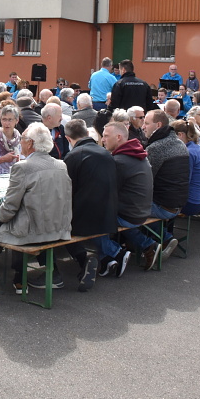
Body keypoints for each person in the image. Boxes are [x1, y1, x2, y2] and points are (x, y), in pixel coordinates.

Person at [0, 122, 73, 303]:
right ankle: (18, 278)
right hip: (58, 228)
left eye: (23, 139)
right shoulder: (61, 165)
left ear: (31, 143)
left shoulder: (23, 167)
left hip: (32, 231)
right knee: (12, 218)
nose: (21, 142)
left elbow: (8, 209)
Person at [62, 119, 118, 292]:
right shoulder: (105, 152)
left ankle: (84, 259)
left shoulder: (73, 156)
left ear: (67, 138)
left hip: (85, 219)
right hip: (110, 214)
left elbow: (66, 190)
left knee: (59, 229)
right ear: (87, 133)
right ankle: (108, 259)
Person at [91, 121, 152, 278]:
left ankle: (115, 253)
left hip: (130, 214)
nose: (102, 140)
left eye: (105, 136)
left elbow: (105, 192)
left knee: (89, 221)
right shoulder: (136, 153)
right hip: (142, 209)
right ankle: (145, 245)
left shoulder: (119, 161)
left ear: (118, 137)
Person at [135, 110, 190, 267]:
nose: (143, 126)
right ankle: (164, 238)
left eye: (146, 123)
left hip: (164, 206)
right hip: (179, 203)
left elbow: (143, 180)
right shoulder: (180, 143)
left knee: (126, 209)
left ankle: (149, 244)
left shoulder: (156, 147)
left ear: (158, 125)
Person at [170, 120, 200, 217]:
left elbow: (184, 181)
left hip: (191, 203)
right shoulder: (197, 148)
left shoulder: (188, 152)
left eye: (171, 136)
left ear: (180, 135)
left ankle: (164, 231)